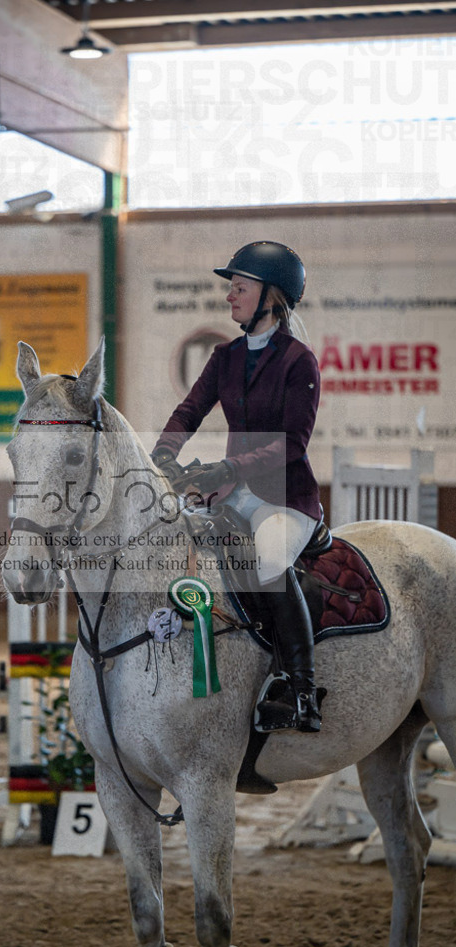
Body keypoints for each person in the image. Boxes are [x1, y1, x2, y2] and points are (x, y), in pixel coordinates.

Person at [151, 240, 323, 733]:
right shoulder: (225, 357)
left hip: (286, 498)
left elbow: (293, 441)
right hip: (235, 491)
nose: (230, 296)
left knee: (269, 561)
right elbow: (190, 410)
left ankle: (301, 688)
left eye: (239, 287)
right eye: (231, 288)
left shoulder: (299, 362)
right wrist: (163, 453)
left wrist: (229, 470)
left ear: (270, 296)